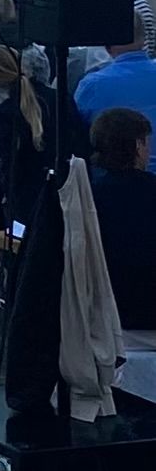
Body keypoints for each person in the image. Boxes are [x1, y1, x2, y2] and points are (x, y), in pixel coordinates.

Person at [88, 106, 156, 333]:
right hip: (148, 313)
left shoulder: (89, 196)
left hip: (101, 310)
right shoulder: (151, 190)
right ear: (138, 146)